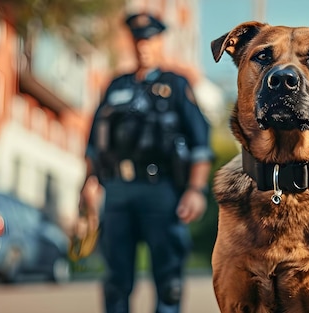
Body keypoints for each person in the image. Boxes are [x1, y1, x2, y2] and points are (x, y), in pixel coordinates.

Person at [80, 12, 213, 313]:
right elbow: (93, 143)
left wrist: (195, 190)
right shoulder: (115, 86)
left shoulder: (176, 85)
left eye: (149, 39)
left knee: (168, 282)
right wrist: (87, 184)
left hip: (162, 191)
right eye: (138, 39)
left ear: (160, 41)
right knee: (115, 280)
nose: (143, 45)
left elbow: (200, 145)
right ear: (131, 42)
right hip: (117, 191)